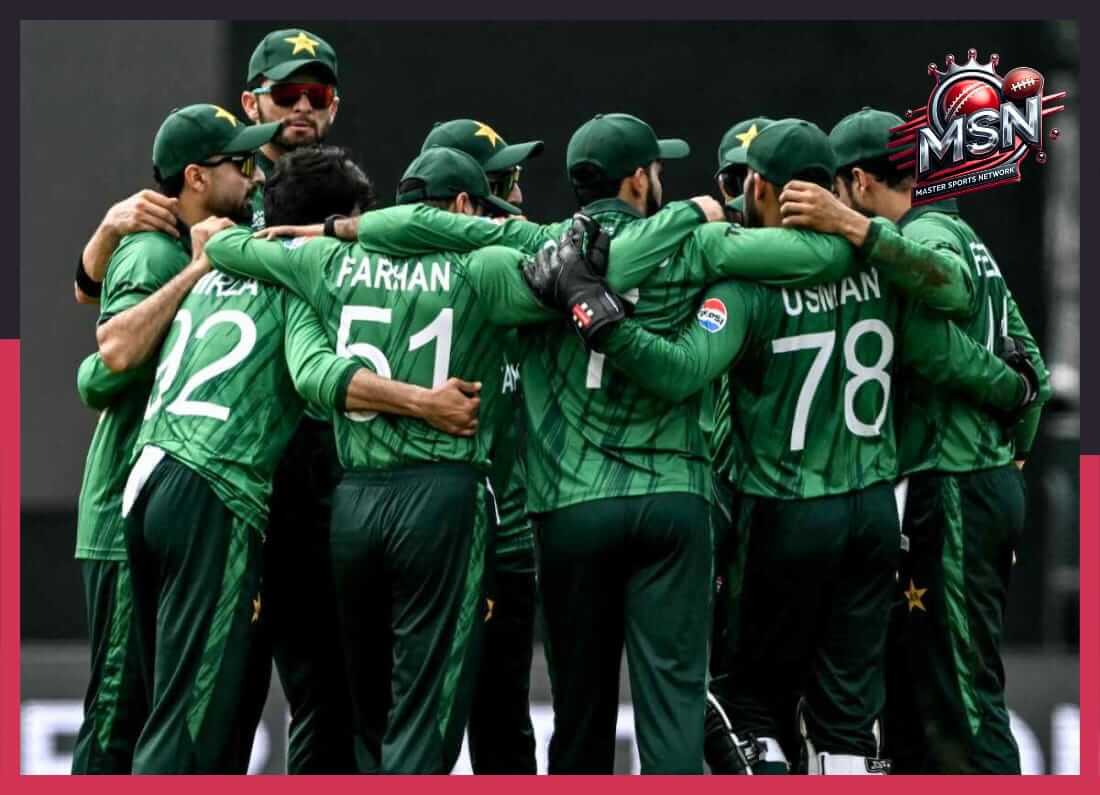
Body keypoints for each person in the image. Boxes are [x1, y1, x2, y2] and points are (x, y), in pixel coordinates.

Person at [551, 119, 1043, 774]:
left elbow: (683, 370)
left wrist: (607, 326)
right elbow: (946, 339)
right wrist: (1014, 389)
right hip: (873, 514)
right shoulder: (879, 266)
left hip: (781, 510)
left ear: (759, 187)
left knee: (746, 699)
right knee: (847, 721)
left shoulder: (745, 282)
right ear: (832, 188)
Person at [202, 145, 574, 773]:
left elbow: (225, 247)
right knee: (425, 721)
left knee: (367, 717)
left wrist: (329, 234)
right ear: (463, 207)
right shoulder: (481, 264)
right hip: (442, 496)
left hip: (355, 502)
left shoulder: (328, 260)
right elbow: (564, 255)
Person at [780, 107, 1051, 773]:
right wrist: (1012, 449)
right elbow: (1036, 373)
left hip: (954, 483)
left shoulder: (924, 234)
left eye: (840, 188)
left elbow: (938, 336)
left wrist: (1000, 409)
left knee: (962, 692)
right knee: (927, 685)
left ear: (860, 182)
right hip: (980, 482)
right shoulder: (968, 236)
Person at [70, 103, 280, 773]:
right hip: (125, 508)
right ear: (196, 176)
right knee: (117, 721)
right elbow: (110, 357)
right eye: (240, 164)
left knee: (164, 712)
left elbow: (89, 299)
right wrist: (191, 267)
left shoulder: (204, 232)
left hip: (169, 503)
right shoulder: (155, 248)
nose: (254, 176)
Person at [419, 117, 545, 773]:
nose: (518, 196)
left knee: (494, 727)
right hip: (462, 531)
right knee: (458, 727)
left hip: (489, 529)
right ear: (467, 197)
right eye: (507, 181)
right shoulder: (484, 268)